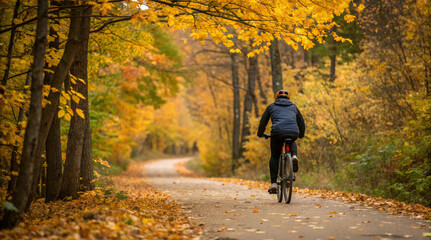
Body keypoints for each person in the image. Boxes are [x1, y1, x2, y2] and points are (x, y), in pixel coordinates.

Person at [257, 89, 305, 193]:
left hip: (277, 132)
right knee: (292, 140)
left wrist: (260, 134)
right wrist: (301, 135)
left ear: (276, 98)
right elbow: (301, 122)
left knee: (275, 156)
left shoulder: (271, 107)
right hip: (293, 131)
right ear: (289, 98)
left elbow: (263, 121)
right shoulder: (294, 107)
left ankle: (274, 183)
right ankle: (294, 156)